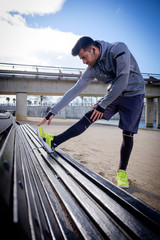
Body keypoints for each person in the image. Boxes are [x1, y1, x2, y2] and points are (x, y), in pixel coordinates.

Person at [37, 36, 145, 188]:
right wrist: (53, 111)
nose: (84, 62)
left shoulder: (118, 49)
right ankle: (53, 141)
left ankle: (122, 172)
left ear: (93, 49)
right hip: (115, 93)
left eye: (84, 57)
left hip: (134, 94)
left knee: (128, 133)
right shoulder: (92, 69)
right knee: (90, 116)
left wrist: (103, 104)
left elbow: (122, 80)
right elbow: (76, 89)